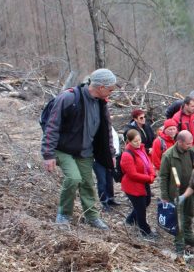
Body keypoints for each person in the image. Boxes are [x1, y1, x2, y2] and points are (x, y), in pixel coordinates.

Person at [41, 68, 117, 230]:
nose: (112, 92)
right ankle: (64, 214)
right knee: (74, 178)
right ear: (101, 87)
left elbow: (106, 131)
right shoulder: (69, 98)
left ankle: (92, 217)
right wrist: (48, 154)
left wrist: (111, 153)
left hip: (85, 151)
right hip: (63, 149)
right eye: (110, 89)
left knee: (88, 184)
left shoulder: (101, 103)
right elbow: (52, 126)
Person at [159, 131, 194, 255]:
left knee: (189, 214)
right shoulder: (168, 155)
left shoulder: (191, 151)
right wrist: (164, 196)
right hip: (175, 193)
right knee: (178, 219)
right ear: (180, 142)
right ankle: (179, 244)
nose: (190, 145)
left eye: (191, 143)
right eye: (187, 143)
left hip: (190, 191)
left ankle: (188, 236)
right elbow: (163, 176)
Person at [120, 129, 156, 238]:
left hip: (144, 182)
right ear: (129, 141)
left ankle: (130, 219)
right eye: (135, 141)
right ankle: (145, 231)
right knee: (141, 209)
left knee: (147, 202)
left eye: (139, 140)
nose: (138, 143)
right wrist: (149, 178)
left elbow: (148, 162)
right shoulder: (127, 154)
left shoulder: (141, 149)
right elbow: (132, 174)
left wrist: (152, 173)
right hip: (133, 186)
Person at [93, 125, 121, 211]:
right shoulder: (95, 127)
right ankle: (104, 202)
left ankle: (110, 199)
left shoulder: (110, 127)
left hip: (110, 157)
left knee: (109, 179)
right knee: (102, 180)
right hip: (98, 159)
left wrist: (115, 154)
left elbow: (114, 141)